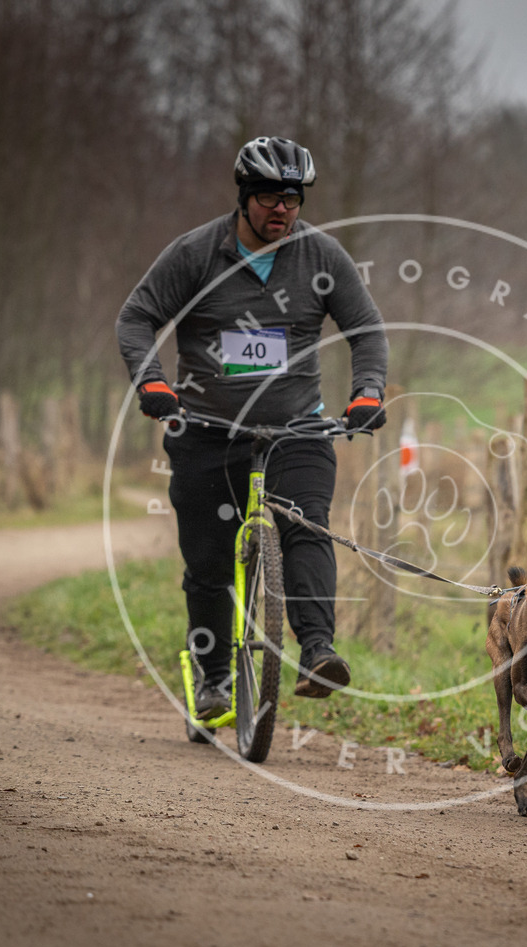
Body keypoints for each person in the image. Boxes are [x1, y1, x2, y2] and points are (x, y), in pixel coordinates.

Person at [116, 136, 388, 718]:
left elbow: (366, 330)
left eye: (292, 198)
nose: (281, 210)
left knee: (308, 526)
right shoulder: (194, 254)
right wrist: (153, 384)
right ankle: (213, 677)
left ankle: (317, 651)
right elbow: (137, 318)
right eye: (268, 197)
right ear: (243, 198)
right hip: (207, 429)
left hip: (297, 428)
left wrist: (367, 391)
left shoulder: (322, 258)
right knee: (209, 564)